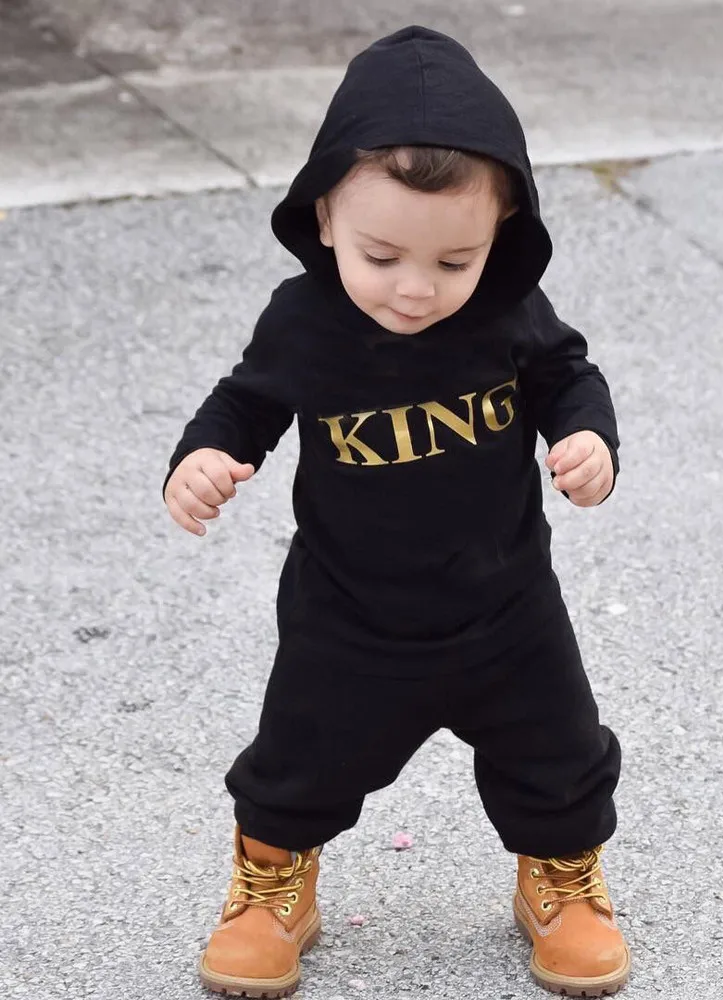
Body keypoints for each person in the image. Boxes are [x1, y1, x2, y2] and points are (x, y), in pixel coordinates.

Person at [163, 24, 629, 999]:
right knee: (297, 761)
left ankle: (560, 879)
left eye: (455, 261)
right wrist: (204, 456)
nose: (416, 290)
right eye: (382, 255)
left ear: (502, 231)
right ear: (325, 216)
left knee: (558, 751)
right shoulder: (306, 320)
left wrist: (587, 438)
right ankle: (273, 886)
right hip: (349, 615)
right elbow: (246, 401)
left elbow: (565, 373)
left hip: (505, 607)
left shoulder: (507, 309)